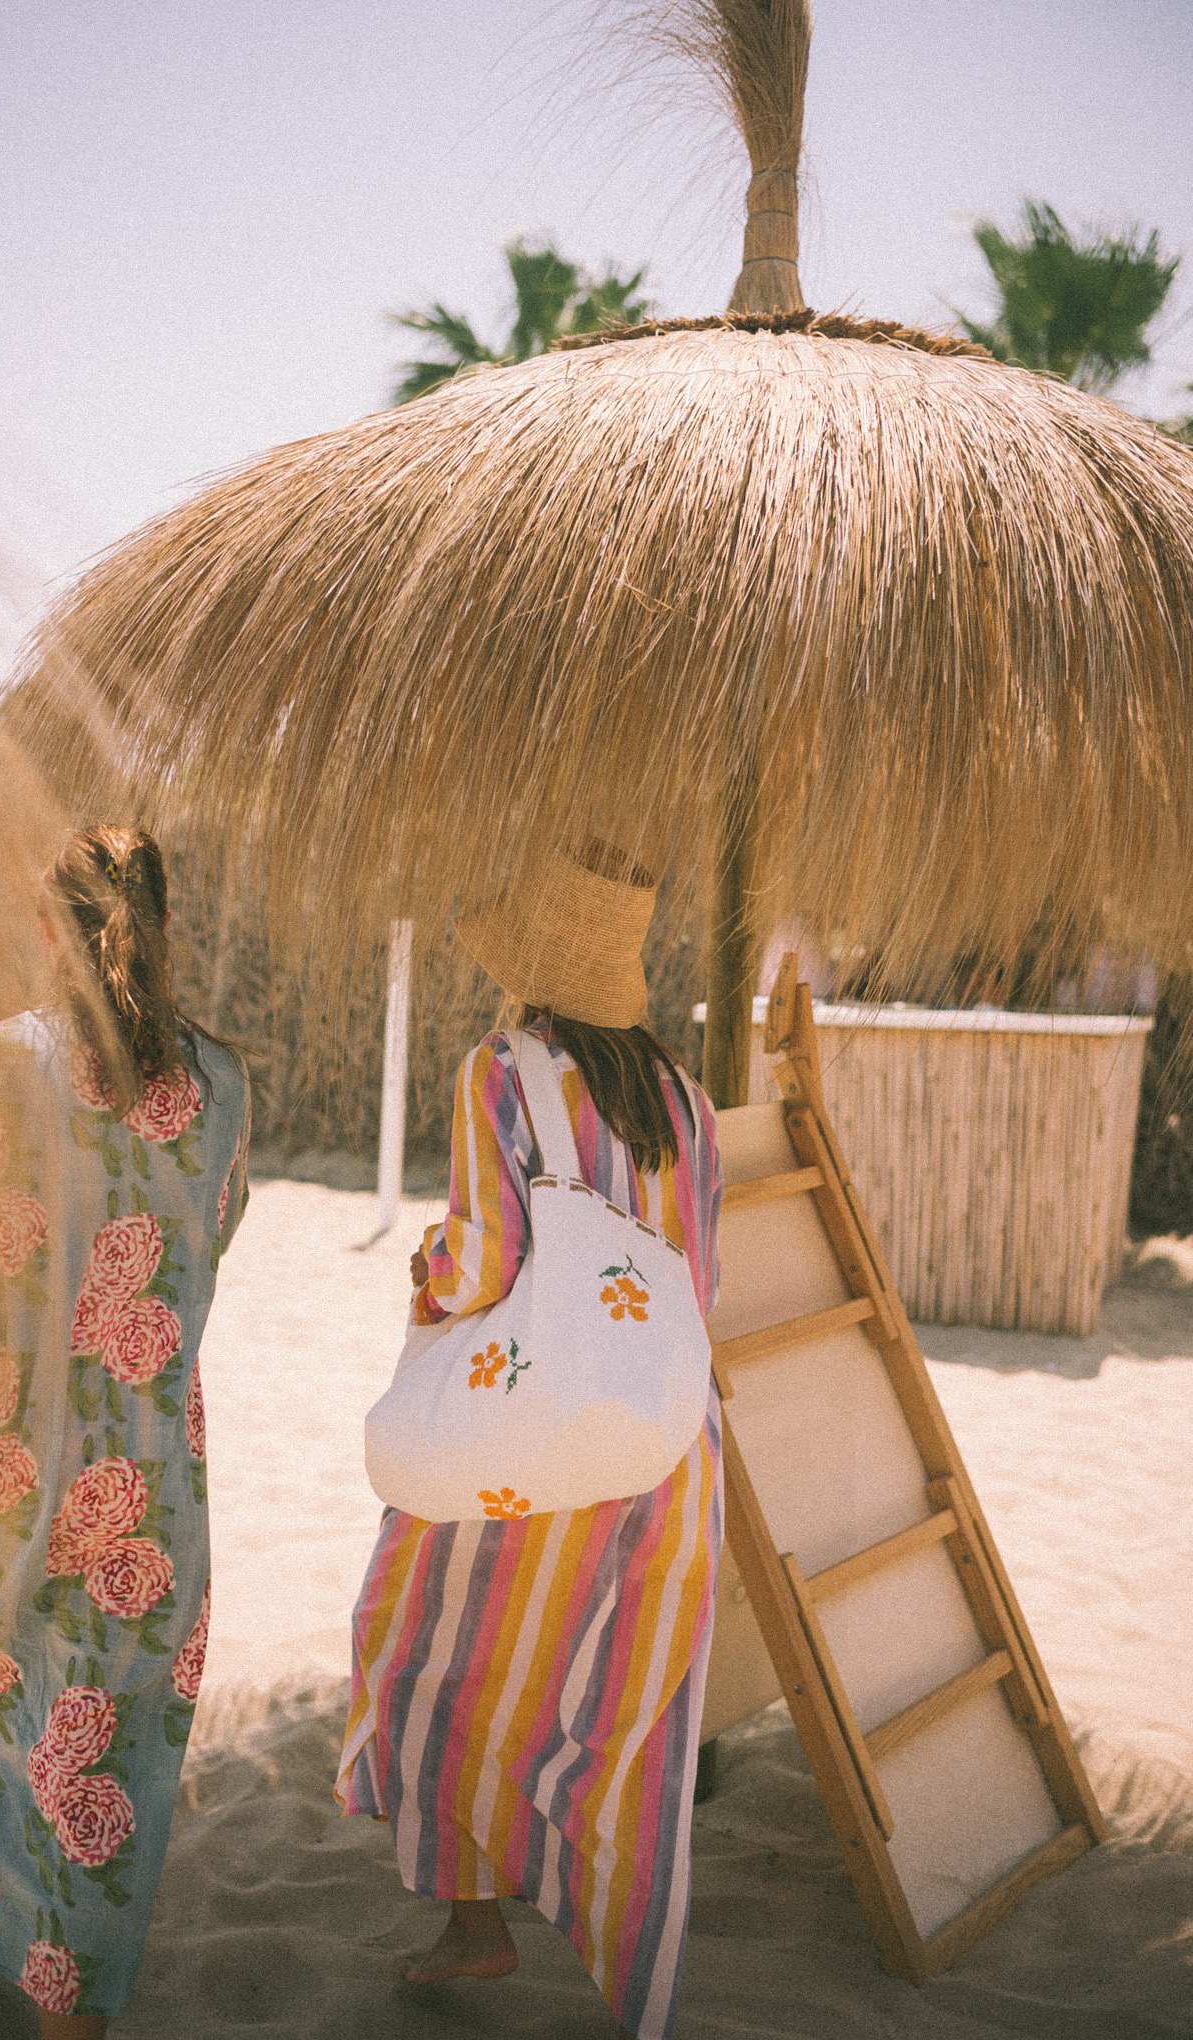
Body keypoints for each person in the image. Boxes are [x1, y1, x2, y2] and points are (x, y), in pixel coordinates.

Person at [0, 827, 251, 2036]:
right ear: (160, 927)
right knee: (101, 1755)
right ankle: (34, 1993)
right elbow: (210, 1246)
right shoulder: (223, 1083)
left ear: (42, 929)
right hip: (153, 1485)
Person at [335, 844, 723, 2040]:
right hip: (664, 1439)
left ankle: (474, 1923)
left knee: (425, 1648)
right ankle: (608, 1935)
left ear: (529, 965)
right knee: (612, 1697)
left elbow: (484, 1261)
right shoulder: (688, 1099)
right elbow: (697, 1276)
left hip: (534, 1430)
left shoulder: (504, 1071)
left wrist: (426, 1272)